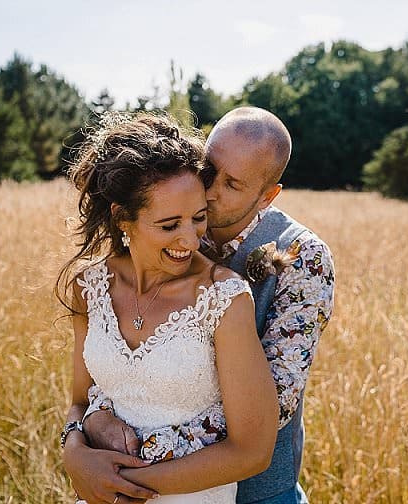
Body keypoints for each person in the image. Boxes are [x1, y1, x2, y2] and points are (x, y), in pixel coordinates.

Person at [64, 107, 336, 504]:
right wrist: (87, 429)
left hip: (256, 492)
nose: (209, 191)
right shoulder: (168, 218)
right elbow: (115, 364)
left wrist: (132, 459)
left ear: (267, 196)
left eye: (232, 184)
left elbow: (273, 404)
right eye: (209, 170)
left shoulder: (303, 255)